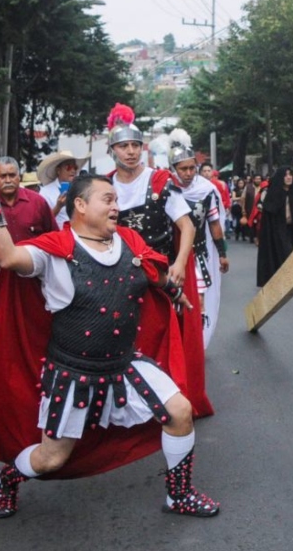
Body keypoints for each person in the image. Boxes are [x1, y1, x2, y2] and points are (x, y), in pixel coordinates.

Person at [0, 170, 220, 520]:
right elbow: (6, 256)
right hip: (73, 375)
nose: (116, 206)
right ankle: (10, 478)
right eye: (107, 199)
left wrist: (171, 289)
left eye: (117, 200)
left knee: (181, 412)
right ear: (79, 205)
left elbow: (151, 272)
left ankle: (179, 494)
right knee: (52, 458)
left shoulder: (128, 240)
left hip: (125, 364)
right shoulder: (53, 253)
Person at [105, 107, 211, 417]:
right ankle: (129, 403)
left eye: (135, 145)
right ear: (112, 150)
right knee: (124, 337)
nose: (130, 151)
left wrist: (179, 264)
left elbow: (187, 226)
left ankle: (168, 401)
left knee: (164, 337)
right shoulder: (105, 186)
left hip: (161, 274)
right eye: (123, 146)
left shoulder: (160, 181)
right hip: (121, 274)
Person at [0, 157, 57, 312]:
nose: (8, 180)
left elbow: (54, 238)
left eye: (12, 175)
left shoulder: (37, 202)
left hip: (35, 276)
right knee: (4, 326)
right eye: (2, 176)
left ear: (19, 177)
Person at [167, 141, 229, 348]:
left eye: (192, 167)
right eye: (183, 168)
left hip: (197, 254)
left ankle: (195, 345)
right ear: (173, 169)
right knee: (169, 301)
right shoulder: (164, 189)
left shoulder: (206, 191)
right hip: (169, 254)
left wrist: (222, 253)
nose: (188, 172)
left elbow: (214, 224)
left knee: (197, 300)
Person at [256, 167, 293, 288]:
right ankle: (286, 281)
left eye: (290, 174)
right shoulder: (274, 192)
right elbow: (269, 212)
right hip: (278, 229)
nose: (289, 177)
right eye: (286, 175)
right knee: (285, 253)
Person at [37, 150, 90, 228]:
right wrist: (58, 207)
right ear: (58, 170)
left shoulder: (80, 189)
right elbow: (43, 221)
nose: (73, 170)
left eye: (75, 167)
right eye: (68, 167)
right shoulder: (46, 192)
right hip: (58, 236)